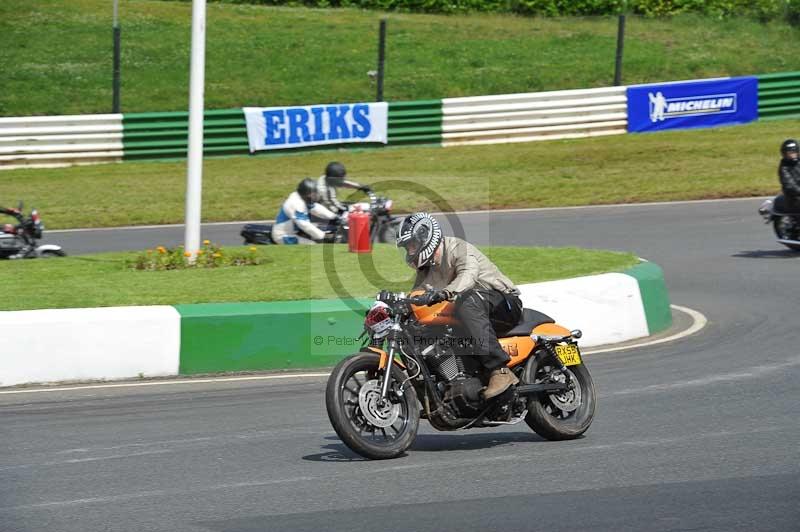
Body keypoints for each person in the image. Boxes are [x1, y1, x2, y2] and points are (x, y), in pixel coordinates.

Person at [396, 212, 523, 400]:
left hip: (502, 303)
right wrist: (399, 307)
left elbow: (468, 275)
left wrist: (446, 292)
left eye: (412, 245)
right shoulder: (427, 269)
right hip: (473, 313)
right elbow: (417, 296)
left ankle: (500, 370)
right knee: (420, 325)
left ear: (426, 238)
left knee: (465, 300)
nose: (410, 252)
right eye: (407, 248)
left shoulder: (458, 248)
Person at [271, 178, 339, 244]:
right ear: (306, 194)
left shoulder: (302, 198)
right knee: (312, 245)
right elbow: (304, 225)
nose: (315, 195)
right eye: (313, 194)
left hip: (295, 231)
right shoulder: (296, 204)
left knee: (318, 228)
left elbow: (315, 208)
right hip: (284, 236)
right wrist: (323, 236)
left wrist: (334, 216)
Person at [778, 139, 800, 212]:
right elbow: (790, 185)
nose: (792, 155)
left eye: (794, 152)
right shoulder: (784, 168)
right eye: (790, 153)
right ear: (785, 154)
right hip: (793, 197)